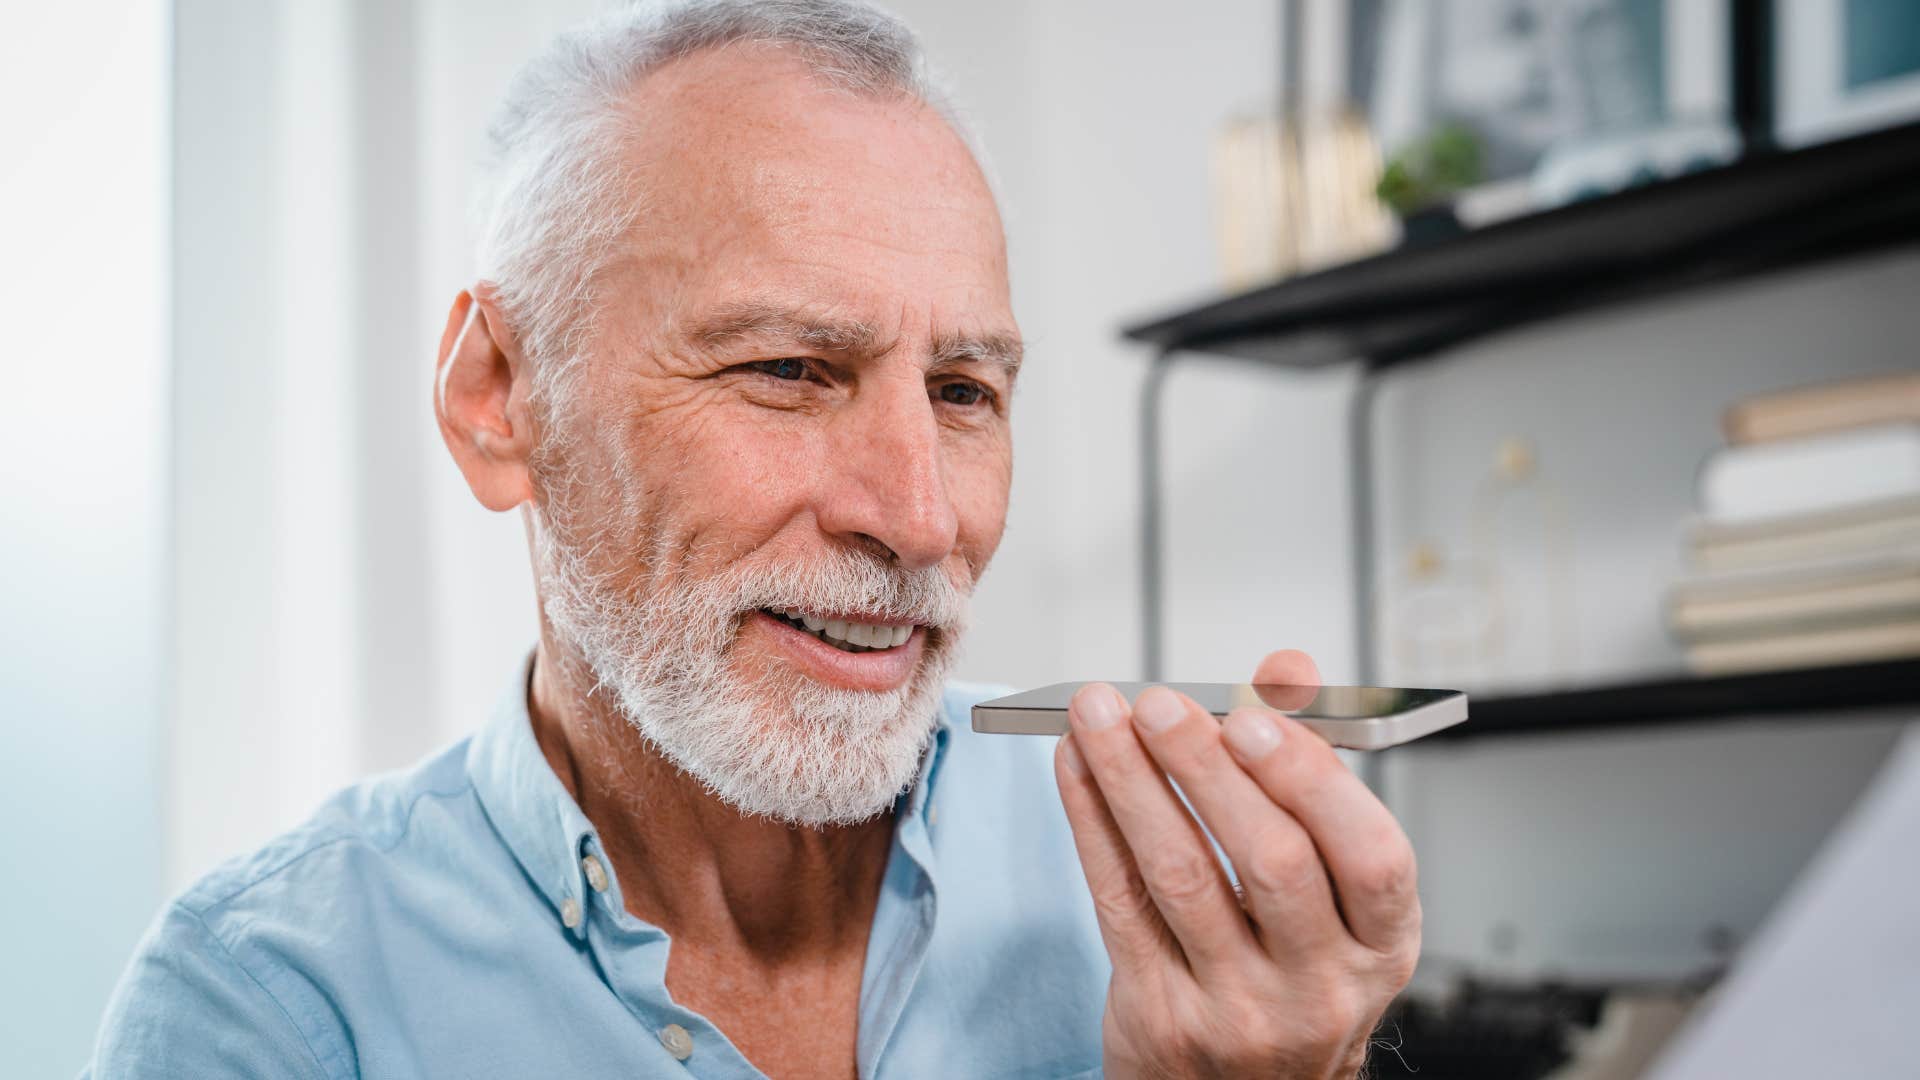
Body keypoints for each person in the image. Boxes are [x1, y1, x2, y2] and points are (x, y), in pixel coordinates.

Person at [86, 2, 1419, 1076]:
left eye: (964, 393)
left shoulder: (1174, 913)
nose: (919, 518)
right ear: (497, 402)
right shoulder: (268, 1009)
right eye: (788, 369)